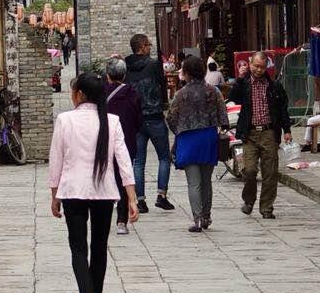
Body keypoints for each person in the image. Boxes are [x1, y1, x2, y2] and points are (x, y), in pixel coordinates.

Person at [48, 73, 138, 293]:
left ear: (79, 94)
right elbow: (124, 161)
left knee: (78, 247)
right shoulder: (112, 121)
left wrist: (54, 195)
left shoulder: (65, 120)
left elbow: (56, 160)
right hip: (103, 192)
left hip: (73, 191)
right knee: (99, 246)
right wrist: (131, 197)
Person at [167, 54, 227, 232]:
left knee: (193, 182)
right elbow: (223, 116)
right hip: (208, 136)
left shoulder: (180, 94)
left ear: (186, 73)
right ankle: (207, 216)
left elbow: (171, 117)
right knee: (206, 181)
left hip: (188, 139)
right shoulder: (213, 91)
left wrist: (179, 130)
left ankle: (198, 218)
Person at [230, 52, 289, 219]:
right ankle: (249, 201)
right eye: (256, 66)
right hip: (249, 133)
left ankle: (266, 208)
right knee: (249, 170)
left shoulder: (274, 86)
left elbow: (283, 108)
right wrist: (239, 79)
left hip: (269, 132)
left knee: (270, 172)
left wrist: (287, 130)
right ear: (250, 64)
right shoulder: (244, 84)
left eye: (262, 67)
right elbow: (232, 98)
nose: (258, 70)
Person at [123, 34, 174, 213]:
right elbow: (162, 87)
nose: (150, 48)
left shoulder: (125, 66)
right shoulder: (153, 65)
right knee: (164, 157)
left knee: (138, 162)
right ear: (143, 47)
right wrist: (164, 105)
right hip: (154, 116)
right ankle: (161, 195)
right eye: (149, 45)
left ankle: (140, 201)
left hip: (136, 119)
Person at [104, 58, 142, 236]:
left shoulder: (101, 93)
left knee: (104, 177)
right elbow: (139, 121)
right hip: (127, 142)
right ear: (124, 75)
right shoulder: (133, 94)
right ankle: (121, 221)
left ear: (107, 75)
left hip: (104, 142)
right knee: (123, 178)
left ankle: (103, 218)